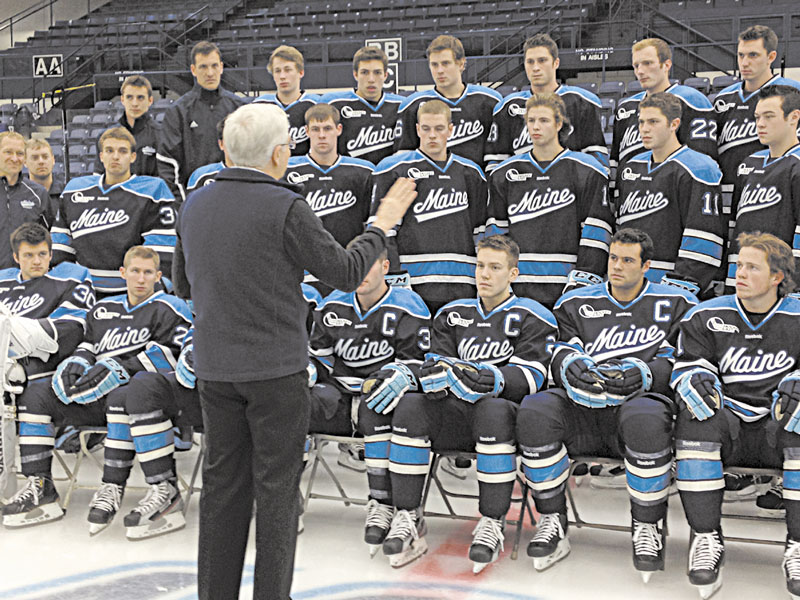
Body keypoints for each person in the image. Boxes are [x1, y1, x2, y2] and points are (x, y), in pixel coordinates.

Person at [174, 102, 417, 600]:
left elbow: (182, 285)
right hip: (275, 374)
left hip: (216, 370)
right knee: (277, 495)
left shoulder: (194, 204)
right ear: (281, 153)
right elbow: (347, 272)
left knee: (222, 494)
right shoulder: (285, 204)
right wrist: (382, 223)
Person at [517, 228, 696, 581]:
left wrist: (644, 373)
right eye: (613, 258)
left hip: (638, 406)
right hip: (583, 405)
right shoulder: (575, 302)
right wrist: (569, 367)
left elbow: (687, 359)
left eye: (627, 260)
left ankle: (647, 526)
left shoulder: (677, 304)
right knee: (535, 409)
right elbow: (557, 349)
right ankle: (552, 517)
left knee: (644, 414)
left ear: (647, 266)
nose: (616, 266)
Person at [373, 235, 556, 571]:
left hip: (503, 418)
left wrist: (489, 379)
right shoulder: (452, 313)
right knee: (411, 405)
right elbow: (436, 364)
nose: (484, 274)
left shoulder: (535, 315)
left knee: (493, 408)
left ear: (513, 273)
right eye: (480, 266)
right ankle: (408, 514)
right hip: (456, 415)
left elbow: (534, 378)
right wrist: (424, 376)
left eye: (495, 268)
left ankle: (492, 521)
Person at [2, 245, 192, 528]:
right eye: (135, 271)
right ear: (122, 273)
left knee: (122, 394)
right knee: (36, 393)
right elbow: (88, 345)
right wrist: (75, 364)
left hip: (137, 398)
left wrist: (121, 368)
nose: (141, 278)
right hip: (91, 394)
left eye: (148, 272)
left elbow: (174, 356)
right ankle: (40, 485)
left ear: (158, 275)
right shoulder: (103, 308)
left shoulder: (171, 306)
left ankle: (113, 487)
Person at [671, 232, 800, 599]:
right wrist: (694, 378)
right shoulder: (707, 313)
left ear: (777, 277)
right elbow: (686, 364)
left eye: (751, 267)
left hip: (779, 426)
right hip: (728, 426)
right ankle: (705, 537)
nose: (739, 274)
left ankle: (798, 545)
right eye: (737, 265)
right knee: (697, 416)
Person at [308, 247, 430, 534]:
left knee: (383, 404)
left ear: (385, 267)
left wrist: (403, 375)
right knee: (293, 401)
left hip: (384, 398)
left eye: (368, 265)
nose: (360, 273)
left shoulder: (410, 306)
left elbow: (418, 363)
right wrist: (309, 370)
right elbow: (319, 357)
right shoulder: (331, 305)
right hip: (341, 394)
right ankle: (285, 498)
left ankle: (384, 503)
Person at [487, 93, 612, 308]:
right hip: (519, 286)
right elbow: (497, 234)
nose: (536, 127)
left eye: (544, 120)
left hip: (568, 285)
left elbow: (596, 231)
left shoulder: (588, 170)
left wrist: (583, 280)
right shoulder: (503, 173)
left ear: (558, 123)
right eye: (531, 121)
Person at [0, 223, 94, 501]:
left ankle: (27, 483)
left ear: (51, 254)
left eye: (42, 254)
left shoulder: (72, 278)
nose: (37, 261)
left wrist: (13, 332)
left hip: (41, 366)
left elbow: (71, 330)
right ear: (16, 257)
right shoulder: (2, 280)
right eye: (28, 255)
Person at [372, 99, 488, 314]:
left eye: (439, 128)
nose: (432, 135)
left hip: (462, 281)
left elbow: (480, 232)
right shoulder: (394, 169)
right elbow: (384, 231)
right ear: (417, 129)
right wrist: (397, 277)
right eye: (426, 129)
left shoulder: (471, 173)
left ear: (451, 130)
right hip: (413, 281)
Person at [614, 92, 725, 295]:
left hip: (671, 286)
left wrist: (681, 285)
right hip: (631, 283)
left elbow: (705, 236)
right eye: (641, 122)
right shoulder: (631, 167)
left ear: (674, 124)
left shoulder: (699, 168)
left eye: (653, 121)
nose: (644, 129)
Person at [51, 127, 178, 297]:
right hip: (84, 291)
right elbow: (60, 248)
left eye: (122, 151)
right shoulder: (74, 190)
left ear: (133, 157)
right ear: (101, 156)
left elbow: (162, 251)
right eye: (109, 151)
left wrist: (148, 291)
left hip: (132, 292)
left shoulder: (153, 190)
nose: (115, 156)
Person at [286, 105, 374, 295]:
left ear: (339, 130)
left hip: (346, 271)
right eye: (316, 130)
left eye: (327, 128)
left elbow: (370, 225)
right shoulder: (288, 170)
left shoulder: (363, 172)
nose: (322, 135)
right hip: (302, 274)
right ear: (307, 131)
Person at [484, 33, 607, 168]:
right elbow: (496, 164)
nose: (536, 68)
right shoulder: (506, 107)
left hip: (568, 186)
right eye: (530, 62)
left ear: (556, 63)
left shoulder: (583, 102)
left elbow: (597, 161)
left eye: (542, 60)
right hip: (523, 186)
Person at [726, 85, 800, 291]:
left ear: (793, 117)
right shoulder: (748, 163)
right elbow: (735, 225)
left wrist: (794, 285)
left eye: (769, 117)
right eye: (757, 117)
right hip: (740, 278)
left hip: (781, 282)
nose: (760, 124)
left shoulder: (797, 165)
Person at [715, 26, 800, 198]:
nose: (745, 62)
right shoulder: (723, 97)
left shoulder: (793, 92)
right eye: (741, 55)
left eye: (753, 55)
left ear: (771, 57)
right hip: (728, 189)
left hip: (775, 191)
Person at [393, 35, 501, 168]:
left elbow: (498, 157)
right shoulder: (412, 105)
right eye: (434, 65)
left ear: (461, 63)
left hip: (477, 183)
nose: (439, 71)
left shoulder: (490, 101)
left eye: (445, 63)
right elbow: (404, 158)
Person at [611, 38, 716, 173]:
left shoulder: (692, 100)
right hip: (632, 188)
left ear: (666, 65)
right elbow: (616, 159)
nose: (640, 71)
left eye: (647, 63)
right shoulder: (626, 107)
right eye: (636, 66)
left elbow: (703, 159)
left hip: (673, 187)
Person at [157, 41, 246, 200]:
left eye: (214, 66)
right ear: (193, 70)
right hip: (195, 200)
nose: (210, 73)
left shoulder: (240, 108)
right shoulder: (178, 112)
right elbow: (168, 164)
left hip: (237, 197)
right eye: (203, 67)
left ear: (221, 67)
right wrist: (183, 203)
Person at [321, 46, 404, 165]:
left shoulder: (402, 106)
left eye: (377, 72)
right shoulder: (334, 104)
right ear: (355, 74)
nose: (371, 79)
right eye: (364, 72)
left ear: (385, 75)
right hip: (349, 178)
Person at [0, 131, 55, 269]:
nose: (14, 158)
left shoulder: (38, 194)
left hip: (27, 281)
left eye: (19, 153)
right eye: (8, 152)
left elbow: (50, 237)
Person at [254, 45, 319, 156]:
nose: (282, 76)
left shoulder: (316, 105)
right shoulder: (259, 106)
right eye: (277, 71)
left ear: (301, 72)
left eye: (288, 70)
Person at [117, 74, 161, 177]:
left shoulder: (162, 135)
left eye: (140, 97)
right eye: (129, 97)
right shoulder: (107, 136)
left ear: (150, 101)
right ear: (122, 100)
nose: (135, 103)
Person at [186, 118, 230, 194]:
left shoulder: (256, 174)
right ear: (221, 144)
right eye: (230, 140)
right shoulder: (201, 176)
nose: (236, 145)